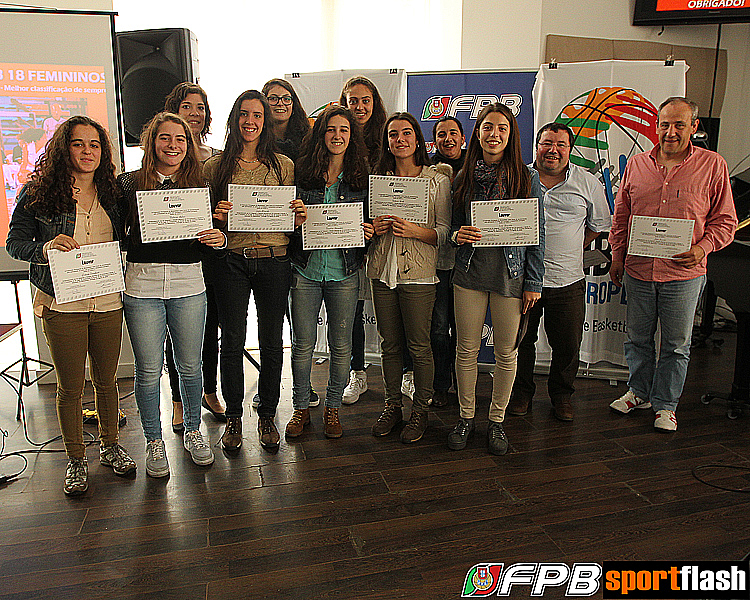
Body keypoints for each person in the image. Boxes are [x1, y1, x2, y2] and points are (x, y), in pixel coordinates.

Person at [7, 115, 135, 495]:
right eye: (79, 144)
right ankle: (76, 459)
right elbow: (15, 243)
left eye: (94, 145)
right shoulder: (38, 193)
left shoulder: (113, 193)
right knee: (70, 387)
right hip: (63, 305)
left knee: (107, 381)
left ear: (103, 152)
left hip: (107, 301)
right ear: (65, 148)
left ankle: (111, 447)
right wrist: (45, 248)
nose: (87, 151)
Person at [608, 97, 737, 431]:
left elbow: (726, 221)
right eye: (665, 124)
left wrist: (703, 248)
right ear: (657, 126)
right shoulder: (637, 164)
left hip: (684, 275)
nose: (671, 132)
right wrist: (618, 256)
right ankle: (639, 392)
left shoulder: (712, 165)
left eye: (679, 124)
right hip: (638, 270)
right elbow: (621, 215)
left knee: (676, 345)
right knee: (637, 339)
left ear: (694, 127)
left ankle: (665, 405)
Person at [119, 112, 225, 477]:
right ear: (152, 142)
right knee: (148, 371)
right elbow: (115, 234)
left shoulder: (202, 186)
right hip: (142, 286)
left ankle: (193, 431)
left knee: (190, 367)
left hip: (188, 285)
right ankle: (153, 440)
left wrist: (219, 238)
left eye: (180, 139)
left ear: (189, 145)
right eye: (164, 138)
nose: (173, 145)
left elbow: (214, 236)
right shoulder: (128, 183)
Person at [204, 90, 306, 452]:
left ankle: (267, 414)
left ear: (266, 122)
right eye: (244, 114)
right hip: (231, 260)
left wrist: (297, 217)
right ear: (235, 119)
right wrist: (215, 216)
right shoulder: (214, 167)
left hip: (274, 259)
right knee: (232, 340)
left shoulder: (284, 165)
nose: (250, 121)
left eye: (257, 115)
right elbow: (204, 223)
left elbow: (290, 220)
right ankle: (233, 416)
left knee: (272, 340)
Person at [449, 102, 545, 455]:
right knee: (466, 350)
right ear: (478, 133)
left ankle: (497, 420)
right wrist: (457, 235)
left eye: (502, 128)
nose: (494, 134)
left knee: (506, 352)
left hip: (511, 276)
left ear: (511, 135)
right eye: (487, 127)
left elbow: (537, 234)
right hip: (469, 273)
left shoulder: (527, 177)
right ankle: (466, 417)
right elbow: (451, 227)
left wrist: (534, 282)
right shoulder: (463, 176)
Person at [509, 122, 611, 422]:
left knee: (567, 345)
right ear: (536, 146)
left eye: (561, 145)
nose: (553, 150)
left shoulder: (587, 183)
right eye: (547, 143)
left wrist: (573, 246)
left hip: (567, 281)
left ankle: (562, 395)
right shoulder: (518, 178)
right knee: (520, 343)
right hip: (522, 280)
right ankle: (522, 393)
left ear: (570, 149)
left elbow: (598, 225)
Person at [286, 106, 372, 439]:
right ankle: (300, 408)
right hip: (305, 270)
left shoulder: (361, 177)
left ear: (352, 137)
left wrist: (367, 232)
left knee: (341, 346)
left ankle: (332, 408)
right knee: (302, 345)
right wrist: (294, 220)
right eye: (331, 129)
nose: (337, 136)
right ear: (321, 135)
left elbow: (369, 222)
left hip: (344, 272)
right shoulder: (303, 173)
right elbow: (288, 221)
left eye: (344, 130)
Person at [367, 112, 452, 443]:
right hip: (382, 270)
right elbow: (366, 227)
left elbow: (444, 233)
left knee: (419, 345)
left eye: (406, 133)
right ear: (387, 141)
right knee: (389, 344)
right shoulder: (378, 180)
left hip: (419, 273)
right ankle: (392, 406)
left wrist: (416, 231)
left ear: (418, 139)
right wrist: (373, 228)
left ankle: (420, 410)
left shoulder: (437, 180)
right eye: (393, 134)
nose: (399, 139)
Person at [163, 82, 226, 429]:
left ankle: (209, 391)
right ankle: (177, 399)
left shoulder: (217, 156)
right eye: (186, 106)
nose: (194, 113)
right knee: (177, 333)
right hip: (177, 255)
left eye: (200, 107)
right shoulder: (164, 158)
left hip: (211, 254)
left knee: (210, 326)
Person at [339, 76, 388, 406]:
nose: (359, 106)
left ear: (375, 103)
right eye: (352, 100)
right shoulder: (336, 139)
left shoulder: (387, 139)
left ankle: (405, 374)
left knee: (393, 311)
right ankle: (357, 373)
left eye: (365, 100)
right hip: (351, 238)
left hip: (387, 236)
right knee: (353, 311)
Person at [429, 116, 466, 407]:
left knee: (465, 330)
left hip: (468, 264)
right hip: (438, 262)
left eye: (453, 133)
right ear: (434, 141)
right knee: (439, 329)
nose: (448, 139)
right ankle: (441, 384)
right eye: (442, 134)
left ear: (463, 138)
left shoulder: (476, 166)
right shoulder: (425, 170)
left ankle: (464, 386)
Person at [262, 78, 311, 162]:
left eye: (286, 99)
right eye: (273, 98)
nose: (280, 103)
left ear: (293, 104)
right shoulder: (256, 140)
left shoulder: (308, 139)